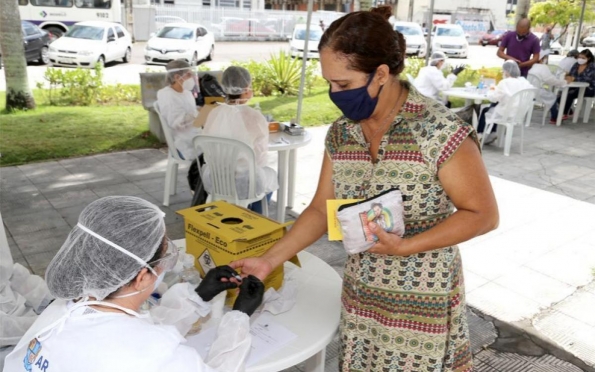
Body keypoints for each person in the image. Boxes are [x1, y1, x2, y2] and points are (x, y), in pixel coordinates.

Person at [231, 9, 498, 372]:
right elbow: (318, 211)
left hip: (422, 301)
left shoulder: (438, 131)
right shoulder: (342, 134)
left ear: (382, 74)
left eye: (343, 84)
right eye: (328, 83)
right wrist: (269, 260)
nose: (334, 94)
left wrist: (406, 246)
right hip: (363, 295)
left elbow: (482, 215)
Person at [3, 196, 264, 372]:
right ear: (141, 276)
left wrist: (198, 296)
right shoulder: (160, 357)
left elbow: (135, 329)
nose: (167, 263)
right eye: (165, 254)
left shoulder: (64, 309)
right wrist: (239, 318)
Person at [201, 66, 278, 215]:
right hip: (244, 184)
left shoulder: (214, 113)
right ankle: (257, 217)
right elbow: (260, 159)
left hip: (214, 180)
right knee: (270, 175)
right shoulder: (255, 117)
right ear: (245, 89)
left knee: (259, 175)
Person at [476, 61, 534, 144]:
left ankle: (480, 134)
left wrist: (491, 91)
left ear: (506, 71)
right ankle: (492, 133)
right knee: (495, 107)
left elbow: (494, 98)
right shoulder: (524, 81)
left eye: (503, 71)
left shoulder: (505, 82)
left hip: (506, 113)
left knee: (486, 110)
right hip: (519, 113)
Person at [157, 59, 202, 161]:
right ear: (177, 77)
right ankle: (209, 175)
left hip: (195, 136)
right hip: (184, 144)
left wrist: (206, 113)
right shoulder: (167, 95)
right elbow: (177, 123)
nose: (192, 78)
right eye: (189, 75)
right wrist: (200, 114)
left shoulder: (187, 93)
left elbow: (193, 118)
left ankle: (215, 175)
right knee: (218, 150)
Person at [550, 49, 595, 123]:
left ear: (589, 58)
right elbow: (572, 74)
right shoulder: (576, 64)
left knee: (570, 94)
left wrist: (574, 78)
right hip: (575, 86)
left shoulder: (592, 66)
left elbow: (588, 79)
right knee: (561, 95)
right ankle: (568, 111)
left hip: (590, 88)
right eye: (579, 57)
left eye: (583, 58)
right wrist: (568, 76)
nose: (580, 59)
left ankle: (564, 113)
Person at [528, 50, 567, 114]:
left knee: (549, 94)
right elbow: (550, 80)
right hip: (538, 92)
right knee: (553, 97)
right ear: (542, 59)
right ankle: (555, 116)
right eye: (546, 57)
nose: (546, 59)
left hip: (529, 91)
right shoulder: (543, 67)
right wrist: (564, 82)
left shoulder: (533, 66)